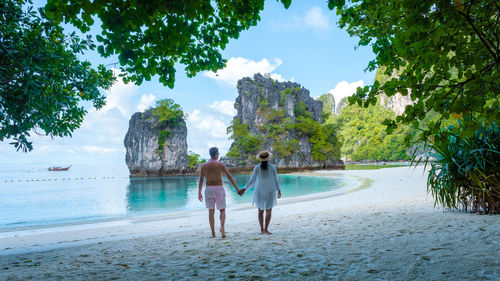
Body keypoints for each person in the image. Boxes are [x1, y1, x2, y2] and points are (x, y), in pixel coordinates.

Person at [198, 147, 240, 238]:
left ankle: (213, 233)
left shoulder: (204, 166)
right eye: (218, 154)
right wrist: (237, 188)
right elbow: (229, 177)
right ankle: (222, 229)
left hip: (209, 189)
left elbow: (201, 180)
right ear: (216, 154)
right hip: (219, 188)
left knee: (211, 211)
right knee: (222, 210)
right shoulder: (221, 164)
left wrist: (199, 192)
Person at [238, 150, 281, 234]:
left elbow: (252, 180)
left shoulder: (257, 168)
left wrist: (244, 189)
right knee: (269, 211)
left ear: (260, 159)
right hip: (270, 191)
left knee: (260, 211)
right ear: (268, 158)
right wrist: (278, 189)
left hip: (259, 191)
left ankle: (262, 229)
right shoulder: (272, 167)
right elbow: (276, 179)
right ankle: (266, 229)